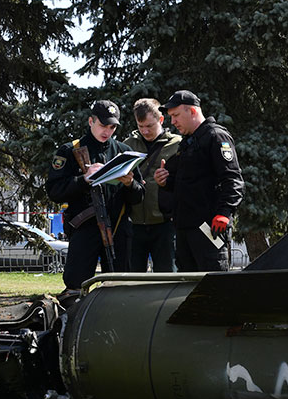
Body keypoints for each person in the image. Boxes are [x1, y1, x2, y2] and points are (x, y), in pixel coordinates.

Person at [46, 99, 145, 293]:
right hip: (85, 230)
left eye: (112, 127)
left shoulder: (123, 153)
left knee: (119, 289)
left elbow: (139, 196)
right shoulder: (70, 150)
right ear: (91, 121)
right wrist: (84, 180)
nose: (107, 131)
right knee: (76, 287)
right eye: (103, 125)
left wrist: (129, 184)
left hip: (118, 230)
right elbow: (54, 191)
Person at [153, 90, 243, 271]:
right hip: (185, 228)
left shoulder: (216, 136)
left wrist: (224, 213)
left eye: (176, 115)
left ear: (192, 111)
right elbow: (187, 183)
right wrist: (165, 181)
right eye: (171, 117)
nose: (173, 122)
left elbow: (233, 179)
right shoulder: (188, 142)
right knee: (186, 287)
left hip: (209, 228)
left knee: (213, 285)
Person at [124, 98, 182, 272]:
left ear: (161, 120)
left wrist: (169, 180)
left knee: (167, 276)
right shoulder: (127, 145)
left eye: (150, 125)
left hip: (165, 224)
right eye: (141, 126)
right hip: (134, 224)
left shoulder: (178, 144)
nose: (145, 131)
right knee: (131, 279)